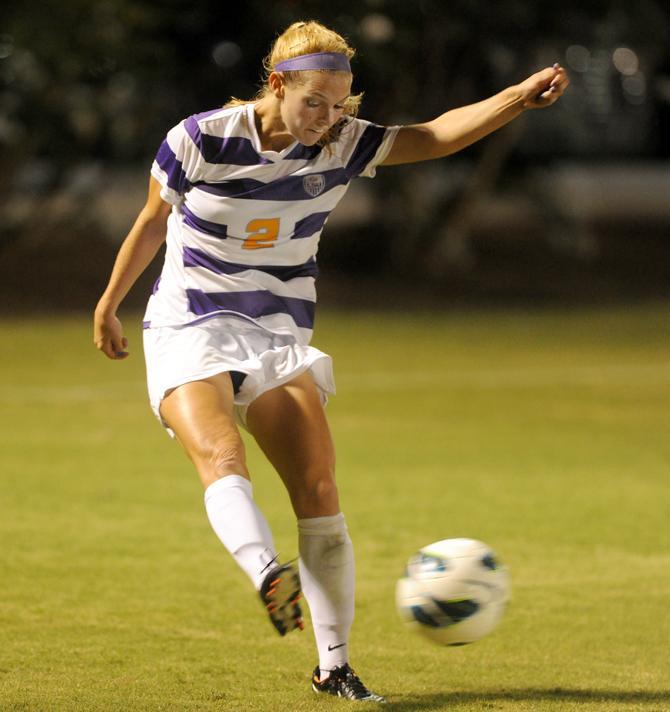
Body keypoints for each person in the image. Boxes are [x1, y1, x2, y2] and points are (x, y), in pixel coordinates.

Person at [93, 20, 568, 703]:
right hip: (189, 322)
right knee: (221, 455)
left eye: (341, 103)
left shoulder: (344, 142)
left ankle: (334, 666)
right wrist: (110, 303)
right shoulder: (199, 138)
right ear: (279, 85)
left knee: (318, 492)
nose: (330, 117)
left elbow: (433, 135)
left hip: (278, 332)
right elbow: (151, 221)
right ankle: (267, 574)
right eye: (316, 101)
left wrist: (515, 99)